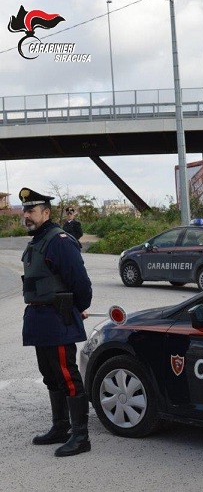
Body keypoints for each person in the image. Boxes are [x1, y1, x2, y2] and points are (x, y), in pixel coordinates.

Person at [19, 187, 93, 457]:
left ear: (46, 213)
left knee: (67, 376)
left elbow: (81, 283)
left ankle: (81, 436)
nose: (27, 215)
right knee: (50, 375)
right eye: (25, 210)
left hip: (57, 318)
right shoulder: (37, 240)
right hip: (40, 320)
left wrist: (76, 308)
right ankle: (60, 427)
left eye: (32, 210)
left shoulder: (59, 240)